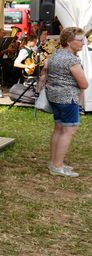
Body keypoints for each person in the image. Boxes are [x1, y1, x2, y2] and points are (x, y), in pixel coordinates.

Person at [38, 27, 87, 177]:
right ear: (69, 41)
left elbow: (46, 71)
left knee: (59, 129)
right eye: (80, 40)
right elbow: (84, 84)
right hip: (67, 98)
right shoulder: (72, 60)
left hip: (54, 97)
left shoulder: (56, 54)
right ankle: (58, 166)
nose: (83, 43)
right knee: (68, 131)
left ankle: (54, 162)